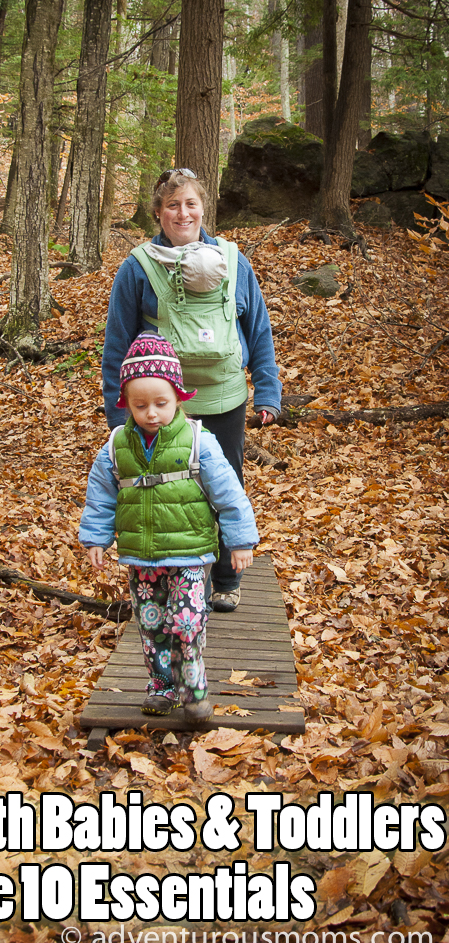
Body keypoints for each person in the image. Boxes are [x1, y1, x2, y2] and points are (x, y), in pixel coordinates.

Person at [102, 168, 281, 613]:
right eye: (172, 205)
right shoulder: (137, 268)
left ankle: (226, 578)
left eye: (191, 203)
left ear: (204, 207)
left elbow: (257, 328)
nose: (183, 213)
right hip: (161, 408)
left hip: (225, 398)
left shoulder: (235, 262)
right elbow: (116, 346)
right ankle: (167, 582)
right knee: (162, 491)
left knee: (225, 485)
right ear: (158, 212)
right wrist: (119, 417)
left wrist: (268, 390)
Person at [80, 332, 259, 725]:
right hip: (141, 558)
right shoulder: (115, 446)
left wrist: (240, 539)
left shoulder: (199, 442)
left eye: (161, 403)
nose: (151, 413)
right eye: (140, 405)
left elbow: (229, 493)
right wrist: (96, 536)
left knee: (187, 619)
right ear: (126, 403)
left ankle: (193, 688)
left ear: (178, 397)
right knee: (151, 622)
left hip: (190, 552)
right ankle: (161, 686)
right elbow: (102, 494)